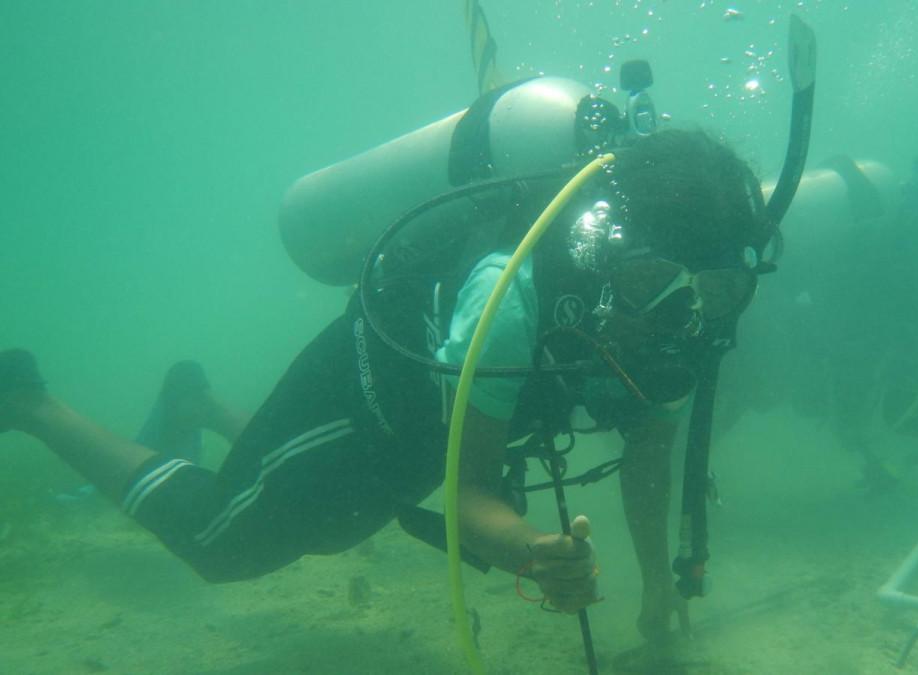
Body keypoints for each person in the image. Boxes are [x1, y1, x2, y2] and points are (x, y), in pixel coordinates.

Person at [0, 120, 769, 645]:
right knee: (225, 542)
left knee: (335, 520)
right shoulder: (512, 297)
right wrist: (535, 552)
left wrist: (657, 585)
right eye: (654, 281)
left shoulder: (684, 333)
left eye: (714, 291)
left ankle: (196, 401)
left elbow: (650, 453)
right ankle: (33, 403)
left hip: (439, 417)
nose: (681, 316)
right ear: (609, 257)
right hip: (373, 394)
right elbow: (467, 493)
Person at [719, 148, 918, 490]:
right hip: (795, 324)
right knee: (753, 385)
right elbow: (904, 407)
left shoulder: (882, 231)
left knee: (744, 381)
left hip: (768, 302)